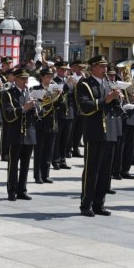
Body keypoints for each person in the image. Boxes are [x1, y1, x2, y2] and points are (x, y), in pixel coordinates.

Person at [76, 55, 119, 217]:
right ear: (93, 67)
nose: (105, 69)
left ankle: (99, 203)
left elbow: (111, 106)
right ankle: (86, 204)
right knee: (92, 170)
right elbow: (85, 106)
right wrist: (106, 100)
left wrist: (117, 100)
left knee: (105, 171)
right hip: (94, 131)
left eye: (106, 66)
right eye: (101, 66)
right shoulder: (85, 84)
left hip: (109, 131)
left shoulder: (108, 83)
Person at [0, 67, 37, 201]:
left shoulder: (31, 92)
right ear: (15, 79)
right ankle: (12, 190)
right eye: (22, 78)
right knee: (13, 164)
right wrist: (23, 108)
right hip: (15, 133)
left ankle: (22, 190)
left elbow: (39, 114)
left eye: (26, 78)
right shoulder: (8, 93)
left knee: (26, 165)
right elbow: (8, 114)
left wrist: (37, 107)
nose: (25, 81)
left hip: (29, 133)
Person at [33, 67, 57, 184]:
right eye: (47, 76)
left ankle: (46, 174)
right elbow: (36, 106)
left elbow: (61, 106)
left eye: (51, 76)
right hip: (41, 124)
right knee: (39, 152)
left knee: (49, 152)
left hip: (52, 124)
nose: (49, 78)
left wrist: (60, 96)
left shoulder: (54, 89)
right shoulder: (36, 89)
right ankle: (38, 175)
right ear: (42, 77)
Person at [52, 60, 75, 170]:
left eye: (66, 70)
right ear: (57, 70)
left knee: (66, 138)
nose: (65, 72)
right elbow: (58, 95)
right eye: (62, 69)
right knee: (57, 138)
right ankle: (55, 160)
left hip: (69, 113)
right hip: (59, 113)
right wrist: (66, 84)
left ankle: (63, 159)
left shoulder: (70, 81)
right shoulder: (53, 81)